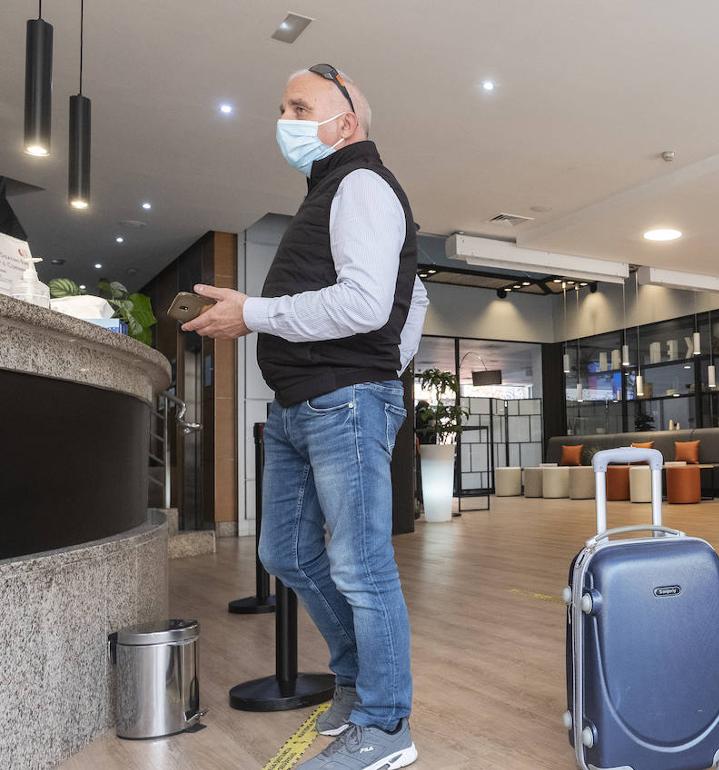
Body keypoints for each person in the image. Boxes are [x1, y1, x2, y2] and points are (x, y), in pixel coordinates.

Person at [184, 64, 428, 768]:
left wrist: (255, 314)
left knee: (362, 566)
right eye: (283, 106)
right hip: (300, 406)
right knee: (285, 554)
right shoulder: (330, 192)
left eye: (298, 106)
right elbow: (411, 299)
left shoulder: (363, 184)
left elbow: (367, 304)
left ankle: (386, 726)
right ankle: (355, 684)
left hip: (343, 401)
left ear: (344, 123)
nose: (284, 119)